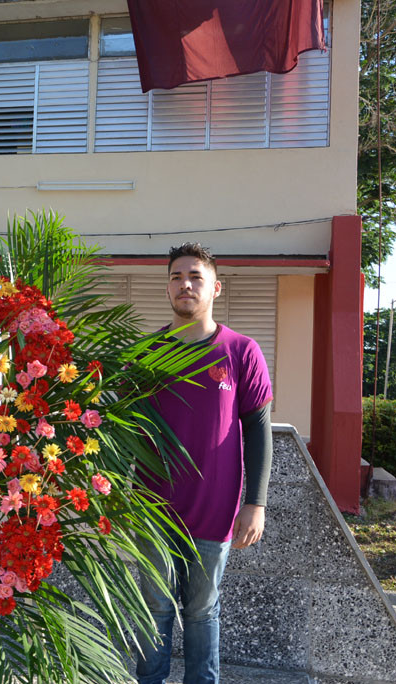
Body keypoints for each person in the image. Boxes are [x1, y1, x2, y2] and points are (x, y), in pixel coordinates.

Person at [137, 242, 273, 684]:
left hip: (214, 512)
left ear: (215, 287)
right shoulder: (145, 354)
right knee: (154, 610)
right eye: (176, 277)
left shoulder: (240, 351)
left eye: (195, 277)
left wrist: (257, 503)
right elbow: (125, 432)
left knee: (202, 612)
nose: (185, 285)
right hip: (150, 510)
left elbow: (257, 429)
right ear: (167, 288)